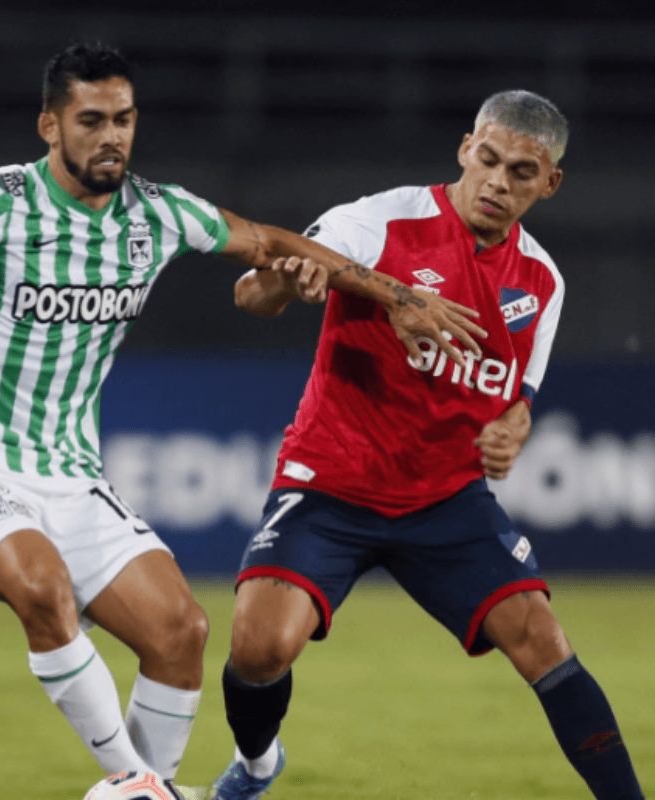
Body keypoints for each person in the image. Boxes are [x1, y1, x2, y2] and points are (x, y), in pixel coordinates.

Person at [0, 42, 485, 788]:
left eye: (123, 118)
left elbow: (270, 243)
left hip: (73, 477)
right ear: (49, 128)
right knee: (42, 587)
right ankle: (135, 784)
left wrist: (396, 297)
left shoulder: (159, 213)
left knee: (181, 633)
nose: (112, 135)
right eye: (91, 120)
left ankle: (142, 789)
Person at [211, 90, 645, 800]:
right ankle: (258, 766)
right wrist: (301, 288)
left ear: (550, 183)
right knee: (261, 648)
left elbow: (520, 396)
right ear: (465, 147)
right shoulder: (381, 219)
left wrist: (514, 428)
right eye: (489, 159)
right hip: (331, 483)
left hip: (446, 500)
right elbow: (252, 294)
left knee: (544, 641)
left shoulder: (543, 281)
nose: (499, 183)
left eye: (523, 173)